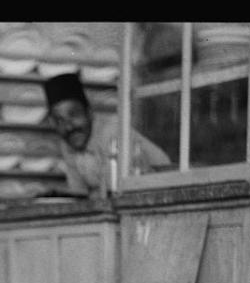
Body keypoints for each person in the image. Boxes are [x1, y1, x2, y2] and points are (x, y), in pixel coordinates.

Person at [43, 72, 172, 198]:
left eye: (74, 115)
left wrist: (92, 195)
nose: (68, 126)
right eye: (59, 120)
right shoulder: (69, 143)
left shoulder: (111, 133)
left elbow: (117, 192)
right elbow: (79, 196)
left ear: (89, 113)